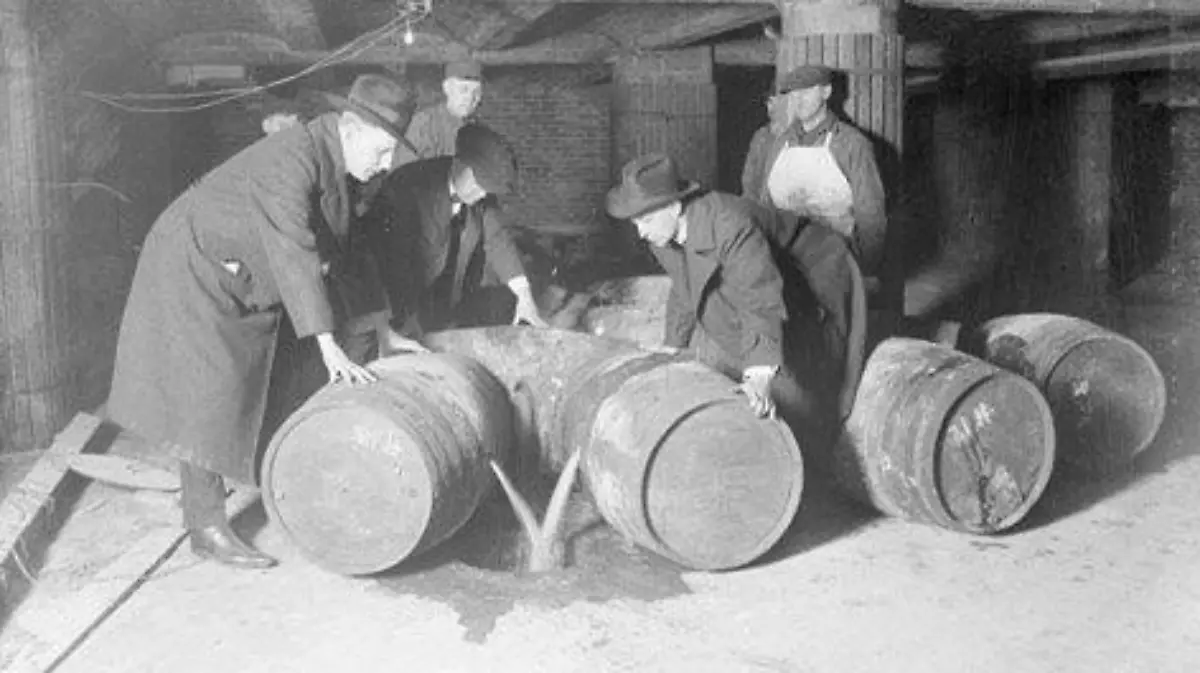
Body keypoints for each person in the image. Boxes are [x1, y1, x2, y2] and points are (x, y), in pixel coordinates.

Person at [105, 74, 421, 570]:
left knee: (253, 377)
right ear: (354, 129)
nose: (384, 164)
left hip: (241, 268)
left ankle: (267, 472)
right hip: (193, 263)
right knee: (210, 390)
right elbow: (296, 250)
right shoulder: (291, 158)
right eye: (382, 151)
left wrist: (382, 326)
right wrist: (327, 342)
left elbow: (347, 251)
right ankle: (204, 526)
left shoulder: (338, 162)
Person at [607, 153, 868, 432]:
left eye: (645, 220)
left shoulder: (729, 225)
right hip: (771, 267)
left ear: (673, 206)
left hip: (815, 261)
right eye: (635, 222)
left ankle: (826, 443)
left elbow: (760, 295)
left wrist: (758, 372)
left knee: (813, 369)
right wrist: (672, 346)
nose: (640, 233)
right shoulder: (660, 236)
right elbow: (685, 286)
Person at [363, 123, 546, 342]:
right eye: (479, 186)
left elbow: (498, 239)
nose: (481, 196)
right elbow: (394, 261)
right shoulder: (407, 186)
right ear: (459, 165)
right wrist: (406, 315)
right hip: (385, 301)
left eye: (487, 191)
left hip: (442, 299)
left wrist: (525, 297)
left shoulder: (480, 193)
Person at [740, 65, 888, 282]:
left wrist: (868, 268)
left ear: (826, 92)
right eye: (794, 93)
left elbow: (871, 214)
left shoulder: (852, 144)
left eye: (807, 92)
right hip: (787, 258)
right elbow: (764, 202)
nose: (799, 100)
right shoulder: (781, 143)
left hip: (838, 260)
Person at [401, 58, 484, 163]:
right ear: (447, 88)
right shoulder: (426, 123)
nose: (470, 98)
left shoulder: (477, 129)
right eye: (464, 90)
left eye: (476, 92)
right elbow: (404, 172)